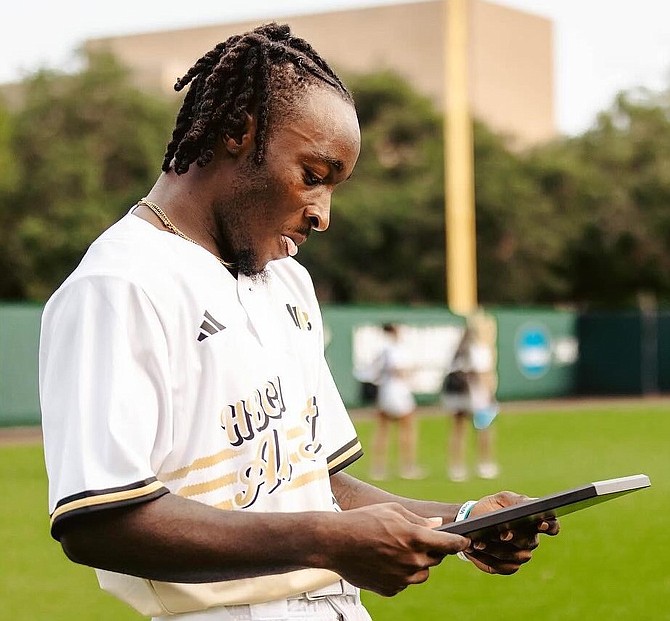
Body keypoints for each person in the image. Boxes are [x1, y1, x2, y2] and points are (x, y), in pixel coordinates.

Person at [39, 24, 557, 621]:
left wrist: (465, 522)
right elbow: (97, 524)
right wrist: (325, 540)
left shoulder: (287, 279)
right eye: (313, 175)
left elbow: (318, 485)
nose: (323, 214)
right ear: (238, 134)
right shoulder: (120, 284)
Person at [442, 311, 500, 482]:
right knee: (484, 431)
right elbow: (484, 375)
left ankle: (456, 467)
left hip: (457, 396)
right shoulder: (480, 349)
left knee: (458, 430)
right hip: (477, 397)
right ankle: (485, 464)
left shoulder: (459, 349)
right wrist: (491, 395)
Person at [368, 323, 425, 481]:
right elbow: (399, 370)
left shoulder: (382, 349)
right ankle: (407, 466)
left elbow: (373, 372)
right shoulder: (394, 349)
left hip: (385, 392)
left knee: (382, 431)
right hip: (398, 393)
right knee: (407, 429)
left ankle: (378, 467)